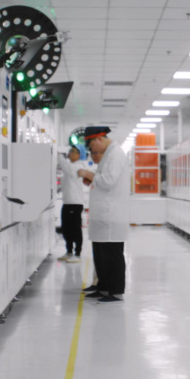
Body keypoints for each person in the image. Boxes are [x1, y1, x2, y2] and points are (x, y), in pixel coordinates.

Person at [77, 127, 130, 304]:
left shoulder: (115, 154)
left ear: (99, 139)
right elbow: (103, 179)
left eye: (92, 145)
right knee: (101, 256)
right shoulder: (109, 154)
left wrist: (87, 174)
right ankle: (104, 287)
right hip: (103, 216)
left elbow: (108, 182)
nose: (93, 150)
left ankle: (115, 292)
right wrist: (92, 178)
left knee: (112, 256)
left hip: (111, 215)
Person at [57, 146, 87, 263]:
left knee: (75, 229)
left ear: (79, 155)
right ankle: (69, 251)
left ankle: (77, 254)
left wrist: (59, 155)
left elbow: (67, 168)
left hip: (75, 203)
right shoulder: (71, 166)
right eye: (70, 151)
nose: (70, 153)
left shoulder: (78, 166)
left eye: (73, 152)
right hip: (67, 202)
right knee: (66, 229)